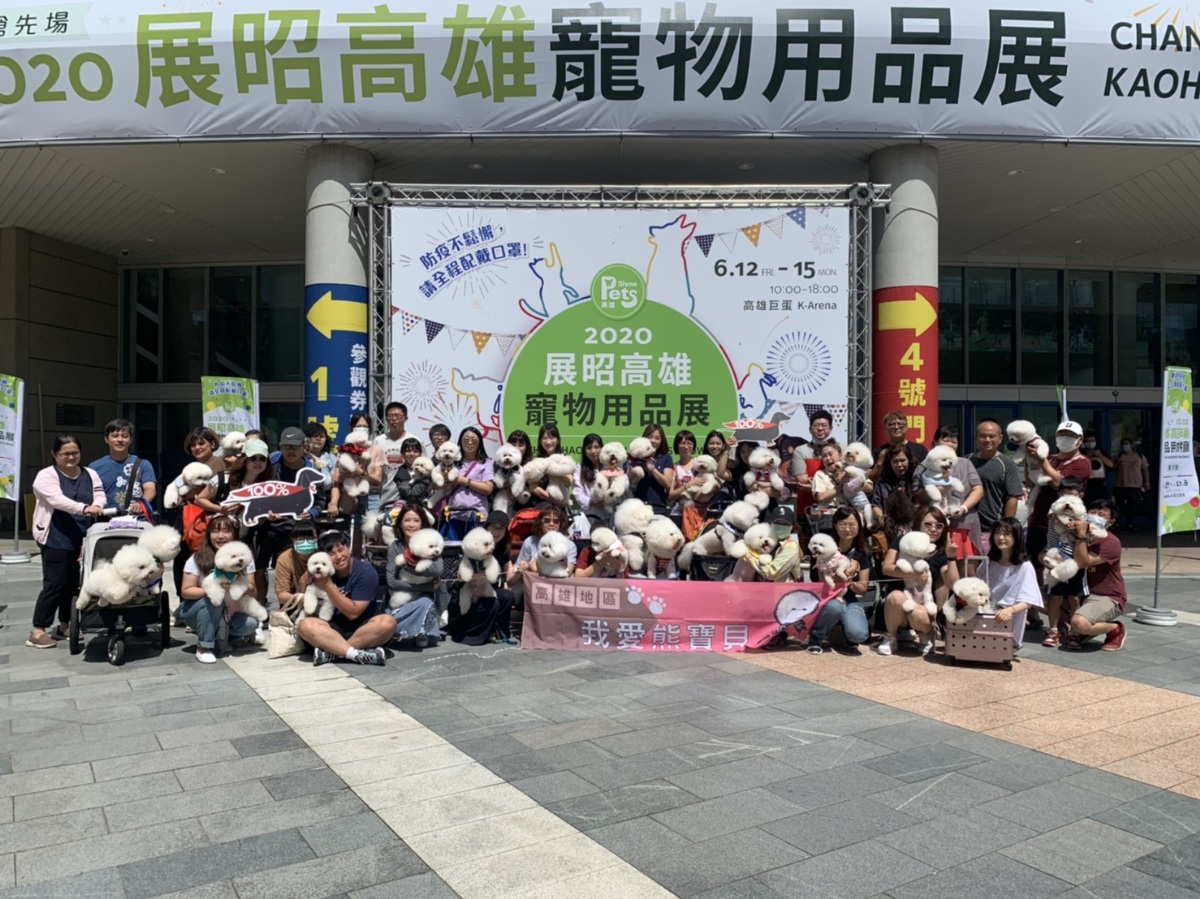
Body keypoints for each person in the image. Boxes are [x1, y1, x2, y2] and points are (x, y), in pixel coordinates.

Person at [28, 435, 105, 648]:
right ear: (55, 454)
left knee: (73, 583)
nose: (71, 457)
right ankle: (38, 629)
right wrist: (84, 508)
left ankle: (65, 624)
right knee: (55, 583)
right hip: (55, 535)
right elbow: (57, 500)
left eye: (75, 453)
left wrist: (98, 505)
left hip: (82, 535)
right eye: (65, 454)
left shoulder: (90, 473)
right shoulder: (45, 476)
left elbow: (99, 494)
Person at [178, 513, 265, 664]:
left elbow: (252, 590)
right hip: (196, 609)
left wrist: (237, 585)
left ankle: (225, 637)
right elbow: (186, 591)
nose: (220, 536)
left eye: (226, 531)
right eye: (215, 531)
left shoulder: (244, 559)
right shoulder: (196, 558)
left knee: (251, 624)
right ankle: (204, 647)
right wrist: (214, 589)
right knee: (214, 598)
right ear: (209, 534)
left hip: (231, 609)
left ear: (234, 534)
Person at [298, 529, 394, 665]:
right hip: (331, 627)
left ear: (349, 549)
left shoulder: (366, 572)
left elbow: (353, 613)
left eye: (341, 550)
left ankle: (333, 652)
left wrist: (328, 586)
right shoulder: (320, 570)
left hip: (363, 627)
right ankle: (355, 654)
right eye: (331, 554)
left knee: (388, 622)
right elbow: (301, 598)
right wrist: (304, 580)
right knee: (305, 625)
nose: (338, 556)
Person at [877, 506, 960, 657]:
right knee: (896, 597)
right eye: (928, 524)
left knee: (919, 614)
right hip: (898, 607)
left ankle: (926, 635)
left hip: (922, 606)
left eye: (939, 525)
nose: (933, 529)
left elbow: (953, 584)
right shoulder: (903, 541)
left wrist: (951, 557)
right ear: (918, 524)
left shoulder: (940, 551)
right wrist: (913, 574)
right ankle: (891, 637)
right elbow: (886, 568)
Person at [1026, 421, 1091, 597]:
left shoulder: (1082, 463)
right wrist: (1030, 462)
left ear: (1080, 440)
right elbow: (1032, 481)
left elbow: (1058, 483)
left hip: (1063, 525)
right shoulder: (1052, 458)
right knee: (1034, 563)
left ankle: (1066, 607)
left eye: (1070, 436)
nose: (1065, 438)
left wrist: (1041, 460)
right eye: (1061, 434)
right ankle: (1037, 604)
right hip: (1039, 519)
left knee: (1061, 566)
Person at [806, 508, 872, 654]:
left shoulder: (862, 553)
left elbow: (862, 589)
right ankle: (816, 638)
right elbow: (817, 582)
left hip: (850, 598)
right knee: (834, 607)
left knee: (858, 634)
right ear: (835, 526)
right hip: (827, 597)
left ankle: (849, 634)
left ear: (859, 527)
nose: (847, 529)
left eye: (852, 524)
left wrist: (849, 581)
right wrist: (825, 570)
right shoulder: (821, 548)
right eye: (843, 524)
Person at [447, 509, 517, 645]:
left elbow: (509, 578)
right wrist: (482, 574)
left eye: (501, 528)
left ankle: (499, 632)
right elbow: (461, 577)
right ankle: (473, 635)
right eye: (493, 527)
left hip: (489, 588)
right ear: (486, 527)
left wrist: (519, 571)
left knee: (508, 596)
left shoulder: (503, 548)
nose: (496, 531)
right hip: (466, 588)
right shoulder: (472, 545)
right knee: (492, 602)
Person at [1066, 499, 1127, 651]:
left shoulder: (1111, 542)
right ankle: (1079, 630)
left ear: (1110, 522)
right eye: (1092, 512)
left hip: (1106, 596)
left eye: (1101, 514)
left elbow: (1082, 562)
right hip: (1079, 591)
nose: (1095, 516)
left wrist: (1081, 536)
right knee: (1037, 599)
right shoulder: (1078, 534)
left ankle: (1114, 629)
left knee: (1079, 622)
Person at [918, 425, 983, 560]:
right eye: (946, 440)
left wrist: (963, 508)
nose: (950, 444)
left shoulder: (965, 463)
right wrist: (940, 490)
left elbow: (978, 489)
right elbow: (917, 495)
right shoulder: (924, 465)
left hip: (964, 525)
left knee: (967, 567)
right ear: (935, 442)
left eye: (954, 441)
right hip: (934, 529)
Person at [383, 505, 444, 648]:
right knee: (418, 603)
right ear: (400, 524)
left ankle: (419, 631)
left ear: (422, 523)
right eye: (407, 520)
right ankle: (403, 628)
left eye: (416, 520)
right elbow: (392, 582)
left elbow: (438, 570)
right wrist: (427, 587)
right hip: (401, 595)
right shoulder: (395, 547)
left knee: (425, 602)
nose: (411, 525)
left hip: (424, 597)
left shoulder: (432, 542)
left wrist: (409, 567)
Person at [975, 518, 1042, 649]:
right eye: (997, 533)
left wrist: (1010, 610)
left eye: (1006, 534)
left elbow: (1028, 601)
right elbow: (976, 585)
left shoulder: (1024, 566)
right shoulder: (989, 561)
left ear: (1016, 537)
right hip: (986, 610)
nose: (1000, 537)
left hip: (1009, 615)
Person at [224, 437, 273, 600]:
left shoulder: (268, 485)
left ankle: (257, 608)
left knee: (255, 573)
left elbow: (262, 518)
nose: (258, 463)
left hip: (250, 537)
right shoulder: (226, 479)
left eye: (262, 459)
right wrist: (222, 510)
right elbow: (200, 499)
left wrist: (266, 517)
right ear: (244, 460)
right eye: (253, 458)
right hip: (224, 535)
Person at [1041, 475, 1088, 648]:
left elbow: (1085, 529)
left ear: (1080, 496)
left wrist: (1078, 526)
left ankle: (1075, 631)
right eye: (1064, 495)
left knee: (1075, 598)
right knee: (1055, 596)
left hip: (1076, 560)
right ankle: (1053, 630)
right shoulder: (1054, 510)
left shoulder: (1083, 513)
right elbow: (1057, 519)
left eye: (1072, 496)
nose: (1067, 501)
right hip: (1056, 558)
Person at [969, 419, 1024, 554]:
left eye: (992, 436)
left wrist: (1004, 529)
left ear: (1000, 438)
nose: (987, 440)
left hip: (991, 530)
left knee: (990, 565)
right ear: (976, 438)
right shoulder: (967, 461)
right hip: (967, 528)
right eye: (982, 436)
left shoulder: (1007, 464)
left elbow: (1012, 498)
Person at [89, 418, 157, 513]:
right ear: (106, 439)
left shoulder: (143, 464)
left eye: (124, 436)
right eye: (115, 436)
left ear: (131, 439)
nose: (120, 440)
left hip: (137, 518)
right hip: (106, 518)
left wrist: (141, 504)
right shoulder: (94, 467)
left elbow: (150, 489)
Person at [746, 505, 804, 584]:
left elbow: (772, 573)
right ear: (771, 523)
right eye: (777, 523)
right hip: (759, 589)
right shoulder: (764, 540)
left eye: (785, 524)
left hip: (783, 590)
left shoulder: (791, 547)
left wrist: (748, 555)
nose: (781, 527)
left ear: (791, 527)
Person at [516, 505, 578, 575]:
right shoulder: (530, 541)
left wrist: (535, 569)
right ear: (540, 523)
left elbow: (567, 572)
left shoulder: (570, 545)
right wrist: (524, 565)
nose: (551, 524)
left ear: (561, 525)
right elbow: (520, 566)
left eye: (556, 522)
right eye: (547, 521)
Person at [376, 402, 416, 512]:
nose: (394, 419)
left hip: (408, 499)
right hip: (384, 497)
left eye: (398, 416)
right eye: (391, 416)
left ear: (406, 418)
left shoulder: (414, 440)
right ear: (386, 419)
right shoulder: (379, 441)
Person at [273, 520, 319, 613]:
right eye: (300, 538)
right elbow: (282, 595)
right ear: (293, 540)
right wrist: (303, 597)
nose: (305, 542)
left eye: (310, 538)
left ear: (317, 538)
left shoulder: (324, 555)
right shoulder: (284, 559)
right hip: (295, 606)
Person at [632, 424, 675, 515]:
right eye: (650, 437)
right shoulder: (635, 456)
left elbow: (668, 484)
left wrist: (652, 469)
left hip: (658, 508)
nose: (653, 441)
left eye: (657, 438)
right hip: (637, 508)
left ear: (661, 440)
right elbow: (628, 481)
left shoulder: (666, 457)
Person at [870, 445, 918, 524]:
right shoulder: (882, 483)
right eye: (895, 461)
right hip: (889, 525)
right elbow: (876, 505)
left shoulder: (916, 480)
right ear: (890, 463)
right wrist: (880, 516)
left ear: (909, 460)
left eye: (902, 460)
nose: (899, 465)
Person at [572, 433, 610, 526]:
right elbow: (577, 492)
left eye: (596, 447)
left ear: (602, 448)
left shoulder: (610, 466)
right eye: (589, 448)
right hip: (588, 516)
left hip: (608, 514)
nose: (593, 451)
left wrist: (607, 501)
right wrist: (592, 502)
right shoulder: (579, 468)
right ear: (584, 450)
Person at [1112, 437, 1150, 530]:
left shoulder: (1140, 456)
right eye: (1122, 444)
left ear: (1131, 445)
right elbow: (1112, 468)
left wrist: (1147, 482)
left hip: (1135, 485)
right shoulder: (1118, 456)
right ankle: (1117, 523)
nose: (1124, 446)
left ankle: (1130, 523)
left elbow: (1145, 470)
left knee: (1132, 505)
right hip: (1120, 484)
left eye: (1126, 444)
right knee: (1119, 505)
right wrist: (1117, 462)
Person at [666, 429, 699, 526]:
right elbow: (671, 495)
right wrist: (688, 485)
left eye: (689, 443)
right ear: (677, 446)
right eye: (683, 443)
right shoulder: (673, 467)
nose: (686, 447)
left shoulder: (700, 464)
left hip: (698, 513)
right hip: (678, 514)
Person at [391, 437, 432, 510]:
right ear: (402, 453)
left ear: (420, 453)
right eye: (408, 451)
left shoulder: (429, 470)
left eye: (416, 451)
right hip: (407, 509)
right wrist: (423, 480)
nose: (412, 454)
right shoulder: (400, 474)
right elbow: (412, 495)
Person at [1081, 430, 1113, 506]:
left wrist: (1099, 455)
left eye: (1092, 441)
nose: (1090, 443)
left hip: (1100, 487)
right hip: (1085, 487)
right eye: (1088, 441)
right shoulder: (1080, 452)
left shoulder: (1101, 452)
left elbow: (1111, 465)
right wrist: (1087, 456)